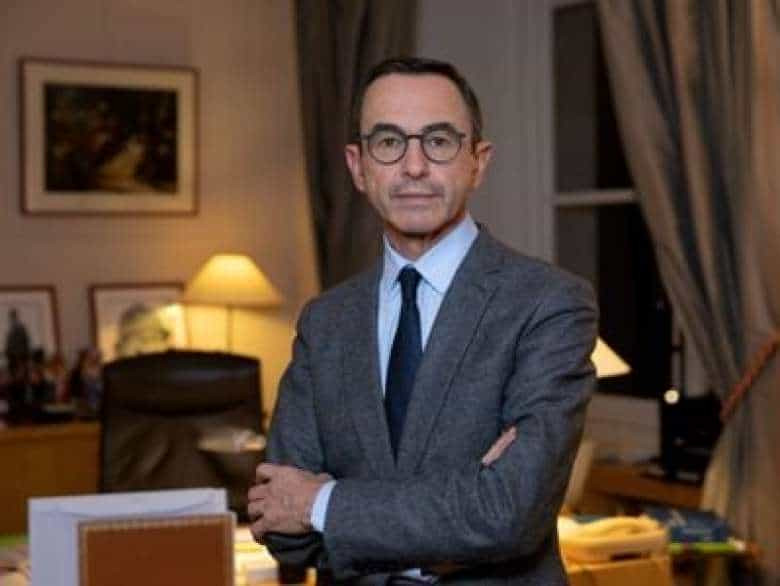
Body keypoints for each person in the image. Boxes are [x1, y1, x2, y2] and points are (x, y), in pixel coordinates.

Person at [248, 57, 597, 584]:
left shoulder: (548, 304)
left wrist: (322, 504)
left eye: (438, 141)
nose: (414, 166)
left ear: (478, 162)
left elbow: (509, 513)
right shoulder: (325, 322)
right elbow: (278, 524)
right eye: (389, 142)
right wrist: (457, 524)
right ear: (357, 166)